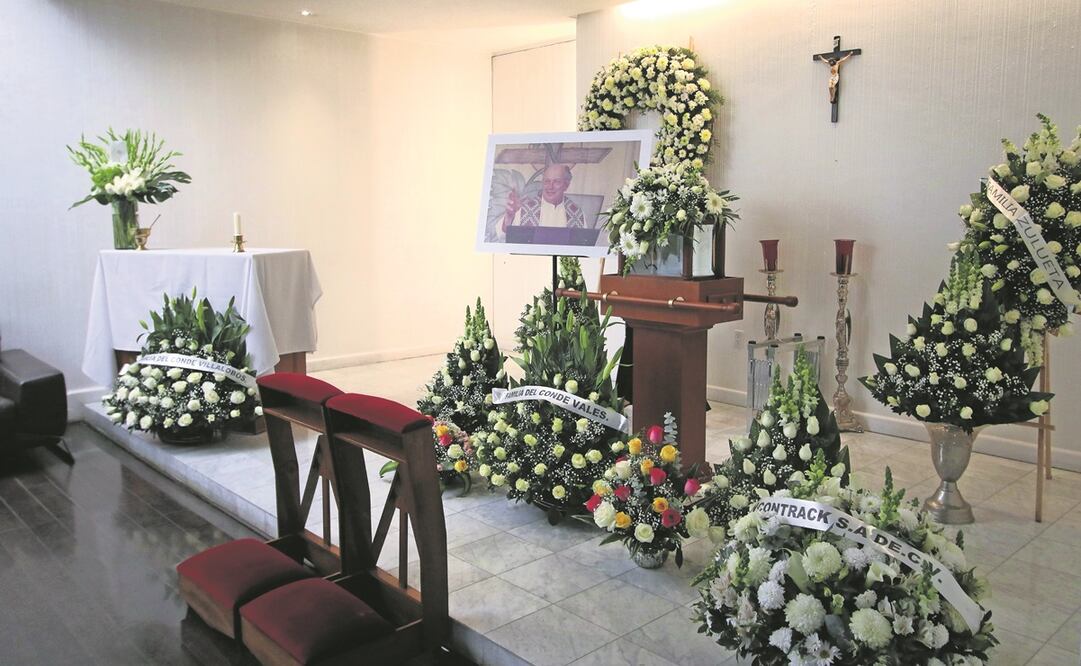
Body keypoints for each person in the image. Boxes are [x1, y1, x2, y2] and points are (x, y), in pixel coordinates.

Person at [502, 164, 586, 232]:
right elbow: (506, 234)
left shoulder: (577, 213)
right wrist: (509, 217)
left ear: (566, 185)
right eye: (547, 181)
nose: (550, 186)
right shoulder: (524, 208)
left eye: (556, 181)